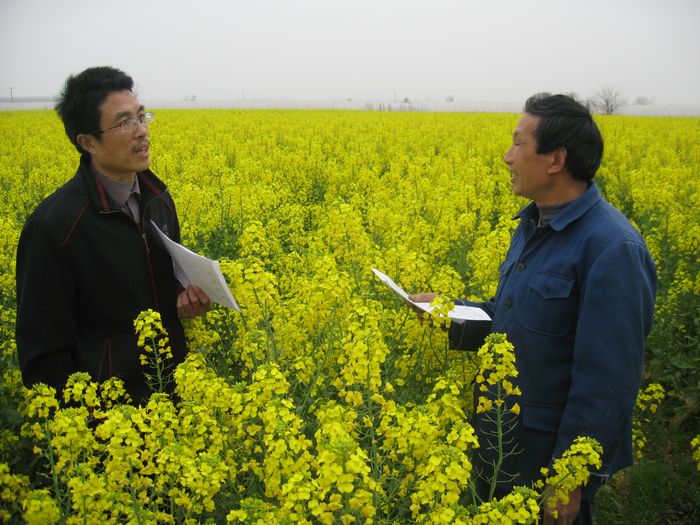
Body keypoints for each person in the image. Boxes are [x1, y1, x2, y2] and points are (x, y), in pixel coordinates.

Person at [410, 93, 657, 524]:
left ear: (556, 159)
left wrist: (570, 479)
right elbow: (514, 318)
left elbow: (608, 379)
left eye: (518, 143)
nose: (507, 157)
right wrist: (448, 313)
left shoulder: (612, 248)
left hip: (546, 459)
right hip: (497, 436)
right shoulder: (533, 223)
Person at [16, 66, 211, 404]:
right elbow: (44, 355)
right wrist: (88, 421)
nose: (142, 131)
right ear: (88, 142)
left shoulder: (159, 199)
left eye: (141, 116)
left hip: (175, 398)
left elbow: (164, 279)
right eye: (124, 123)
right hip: (110, 418)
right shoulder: (54, 226)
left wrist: (185, 296)